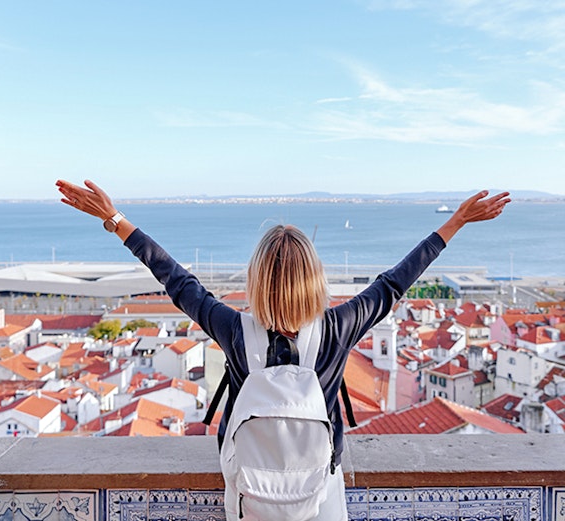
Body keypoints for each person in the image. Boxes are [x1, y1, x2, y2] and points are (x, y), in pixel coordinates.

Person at [56, 179, 510, 520]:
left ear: (257, 280)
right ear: (314, 280)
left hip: (248, 492)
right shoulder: (337, 328)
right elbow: (393, 283)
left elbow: (177, 281)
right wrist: (456, 223)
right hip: (320, 495)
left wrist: (115, 221)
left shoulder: (234, 330)